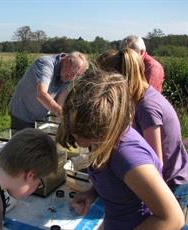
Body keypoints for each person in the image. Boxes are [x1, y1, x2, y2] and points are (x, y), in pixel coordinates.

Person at [56, 71, 185, 229]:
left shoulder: (127, 155)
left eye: (83, 129)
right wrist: (91, 193)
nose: (76, 134)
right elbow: (118, 181)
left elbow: (172, 219)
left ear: (104, 123)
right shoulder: (101, 140)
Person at [97, 48, 188, 215]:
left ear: (116, 80)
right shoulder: (138, 97)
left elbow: (156, 165)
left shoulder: (147, 107)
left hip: (172, 183)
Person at [9, 51, 89, 130]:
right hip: (23, 113)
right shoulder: (46, 64)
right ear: (65, 61)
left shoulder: (68, 72)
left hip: (42, 116)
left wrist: (64, 124)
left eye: (77, 75)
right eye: (71, 73)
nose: (72, 78)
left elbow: (61, 100)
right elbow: (41, 94)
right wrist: (62, 114)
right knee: (24, 141)